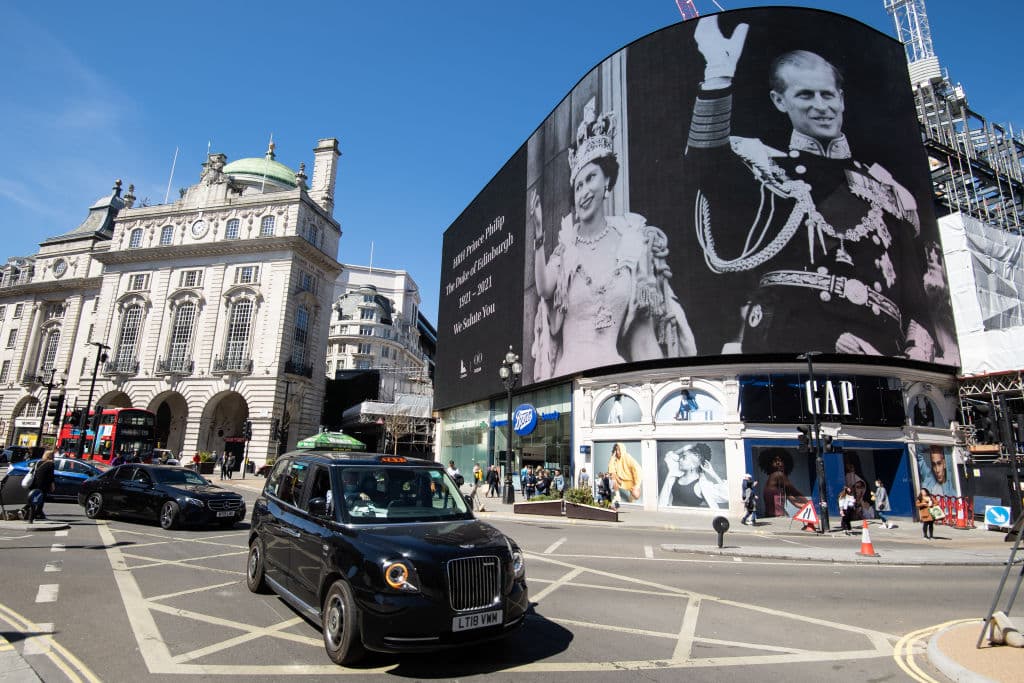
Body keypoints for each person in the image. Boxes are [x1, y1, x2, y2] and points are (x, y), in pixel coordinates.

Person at [685, 16, 943, 360]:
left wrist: (915, 354)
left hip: (884, 353)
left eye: (828, 95)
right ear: (780, 101)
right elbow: (706, 169)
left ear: (842, 100)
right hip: (791, 346)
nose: (821, 106)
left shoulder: (888, 189)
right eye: (805, 95)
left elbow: (915, 296)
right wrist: (718, 75)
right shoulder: (768, 168)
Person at [528, 96, 696, 381]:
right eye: (578, 185)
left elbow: (643, 337)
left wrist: (662, 385)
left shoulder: (633, 245)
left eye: (591, 178)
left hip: (617, 377)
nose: (583, 191)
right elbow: (544, 288)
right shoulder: (566, 249)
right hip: (571, 378)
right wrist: (540, 235)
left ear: (607, 181)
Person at [658, 443, 728, 508]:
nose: (679, 460)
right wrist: (684, 448)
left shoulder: (702, 485)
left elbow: (727, 495)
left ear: (693, 465)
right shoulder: (675, 474)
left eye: (684, 457)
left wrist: (713, 474)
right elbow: (669, 457)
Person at [757, 448, 808, 518]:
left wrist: (801, 505)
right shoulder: (778, 475)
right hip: (777, 516)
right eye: (775, 461)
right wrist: (808, 502)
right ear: (769, 463)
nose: (778, 463)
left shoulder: (774, 479)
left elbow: (790, 496)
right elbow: (794, 491)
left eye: (780, 460)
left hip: (772, 515)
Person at [26, 450, 56, 523]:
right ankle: (37, 514)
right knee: (41, 499)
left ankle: (32, 515)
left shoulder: (38, 462)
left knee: (33, 498)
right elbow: (50, 476)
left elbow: (34, 471)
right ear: (50, 456)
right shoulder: (51, 464)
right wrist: (52, 485)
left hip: (34, 483)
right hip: (43, 484)